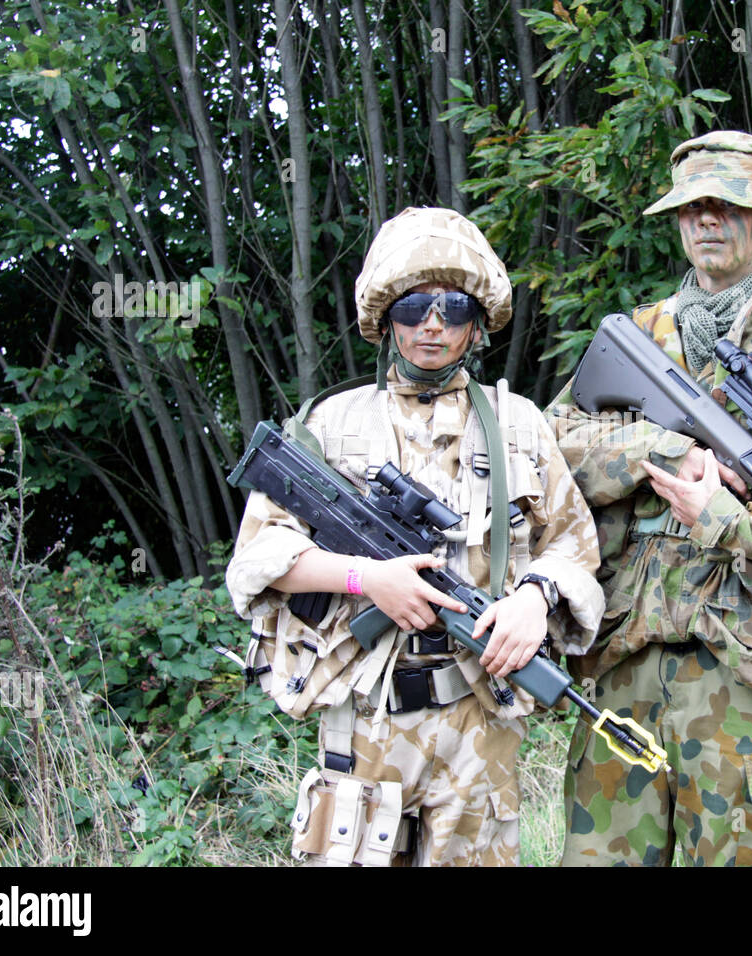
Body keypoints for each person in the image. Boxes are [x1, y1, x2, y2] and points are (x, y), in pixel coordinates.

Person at [226, 207, 603, 866]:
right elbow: (258, 558)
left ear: (477, 323)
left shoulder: (518, 427)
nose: (433, 323)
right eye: (413, 306)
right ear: (384, 318)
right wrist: (366, 579)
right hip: (364, 719)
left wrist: (534, 600)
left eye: (453, 308)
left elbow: (573, 545)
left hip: (478, 725)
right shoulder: (330, 425)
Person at [548, 131, 752, 866]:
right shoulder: (639, 334)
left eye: (728, 207)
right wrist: (657, 449)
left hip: (744, 672)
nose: (708, 221)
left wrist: (725, 520)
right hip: (626, 662)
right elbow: (549, 445)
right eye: (694, 207)